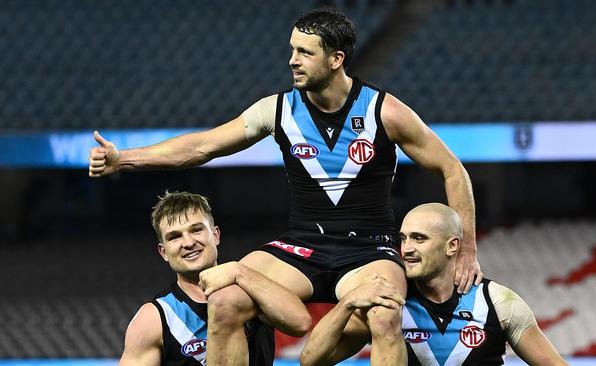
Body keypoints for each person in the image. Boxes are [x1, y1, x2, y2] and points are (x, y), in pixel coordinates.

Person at [89, 7, 481, 365]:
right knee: (225, 299)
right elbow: (202, 146)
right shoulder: (276, 110)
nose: (292, 60)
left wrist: (466, 252)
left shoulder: (384, 111)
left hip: (369, 248)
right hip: (303, 244)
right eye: (292, 50)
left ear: (336, 58)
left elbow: (453, 169)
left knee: (383, 312)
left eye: (304, 53)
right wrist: (124, 159)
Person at [300, 203, 568, 366]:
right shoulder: (388, 303)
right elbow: (311, 360)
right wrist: (347, 303)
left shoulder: (499, 303)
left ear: (452, 246)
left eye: (419, 239)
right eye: (403, 238)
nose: (406, 249)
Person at [119, 191, 311, 366]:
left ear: (216, 235)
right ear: (164, 252)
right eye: (175, 237)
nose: (188, 242)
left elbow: (300, 323)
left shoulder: (250, 288)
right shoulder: (154, 318)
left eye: (196, 230)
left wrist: (240, 272)